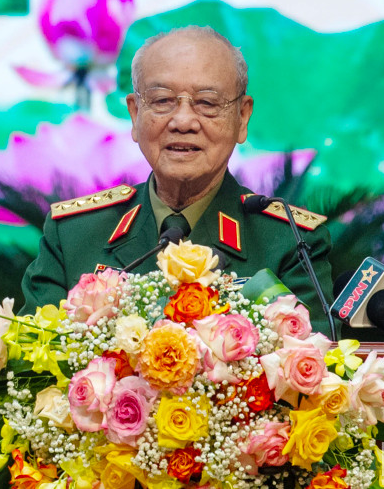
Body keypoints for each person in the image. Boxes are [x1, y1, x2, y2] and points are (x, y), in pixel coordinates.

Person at [20, 26, 333, 329]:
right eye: (162, 101)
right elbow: (31, 361)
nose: (183, 121)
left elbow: (315, 362)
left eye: (208, 103)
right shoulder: (74, 234)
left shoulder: (290, 241)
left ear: (242, 117)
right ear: (134, 113)